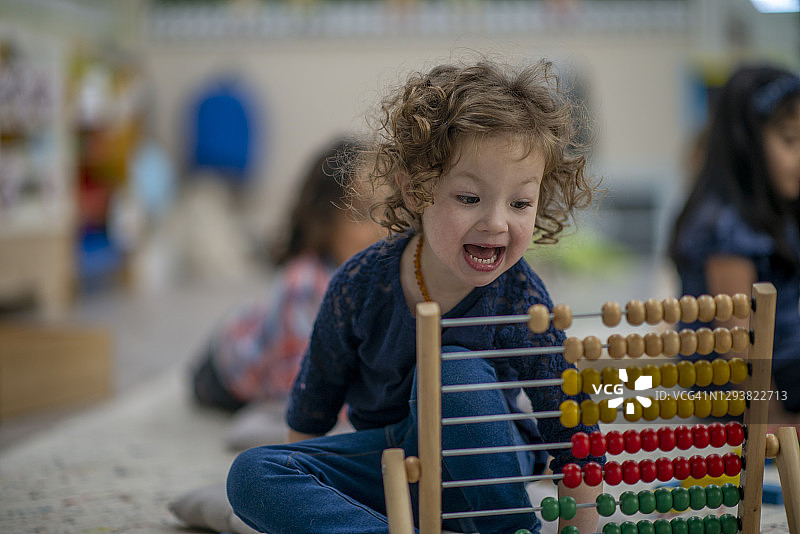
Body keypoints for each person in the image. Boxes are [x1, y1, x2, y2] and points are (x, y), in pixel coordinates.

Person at [226, 58, 604, 534]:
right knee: (253, 473)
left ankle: (508, 530)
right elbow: (311, 410)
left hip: (485, 469)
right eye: (469, 198)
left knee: (453, 371)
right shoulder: (359, 284)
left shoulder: (522, 298)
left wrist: (586, 528)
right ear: (416, 191)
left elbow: (571, 428)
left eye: (520, 203)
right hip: (392, 466)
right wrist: (311, 488)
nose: (496, 222)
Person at [191, 137, 382, 413]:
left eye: (386, 210)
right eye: (363, 213)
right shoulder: (304, 286)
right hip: (227, 366)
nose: (380, 229)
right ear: (324, 219)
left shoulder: (376, 274)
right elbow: (301, 389)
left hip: (267, 330)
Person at [668, 65, 800, 417]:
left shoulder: (779, 212)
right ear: (748, 147)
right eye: (790, 140)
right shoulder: (726, 226)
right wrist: (774, 426)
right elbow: (740, 346)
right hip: (744, 392)